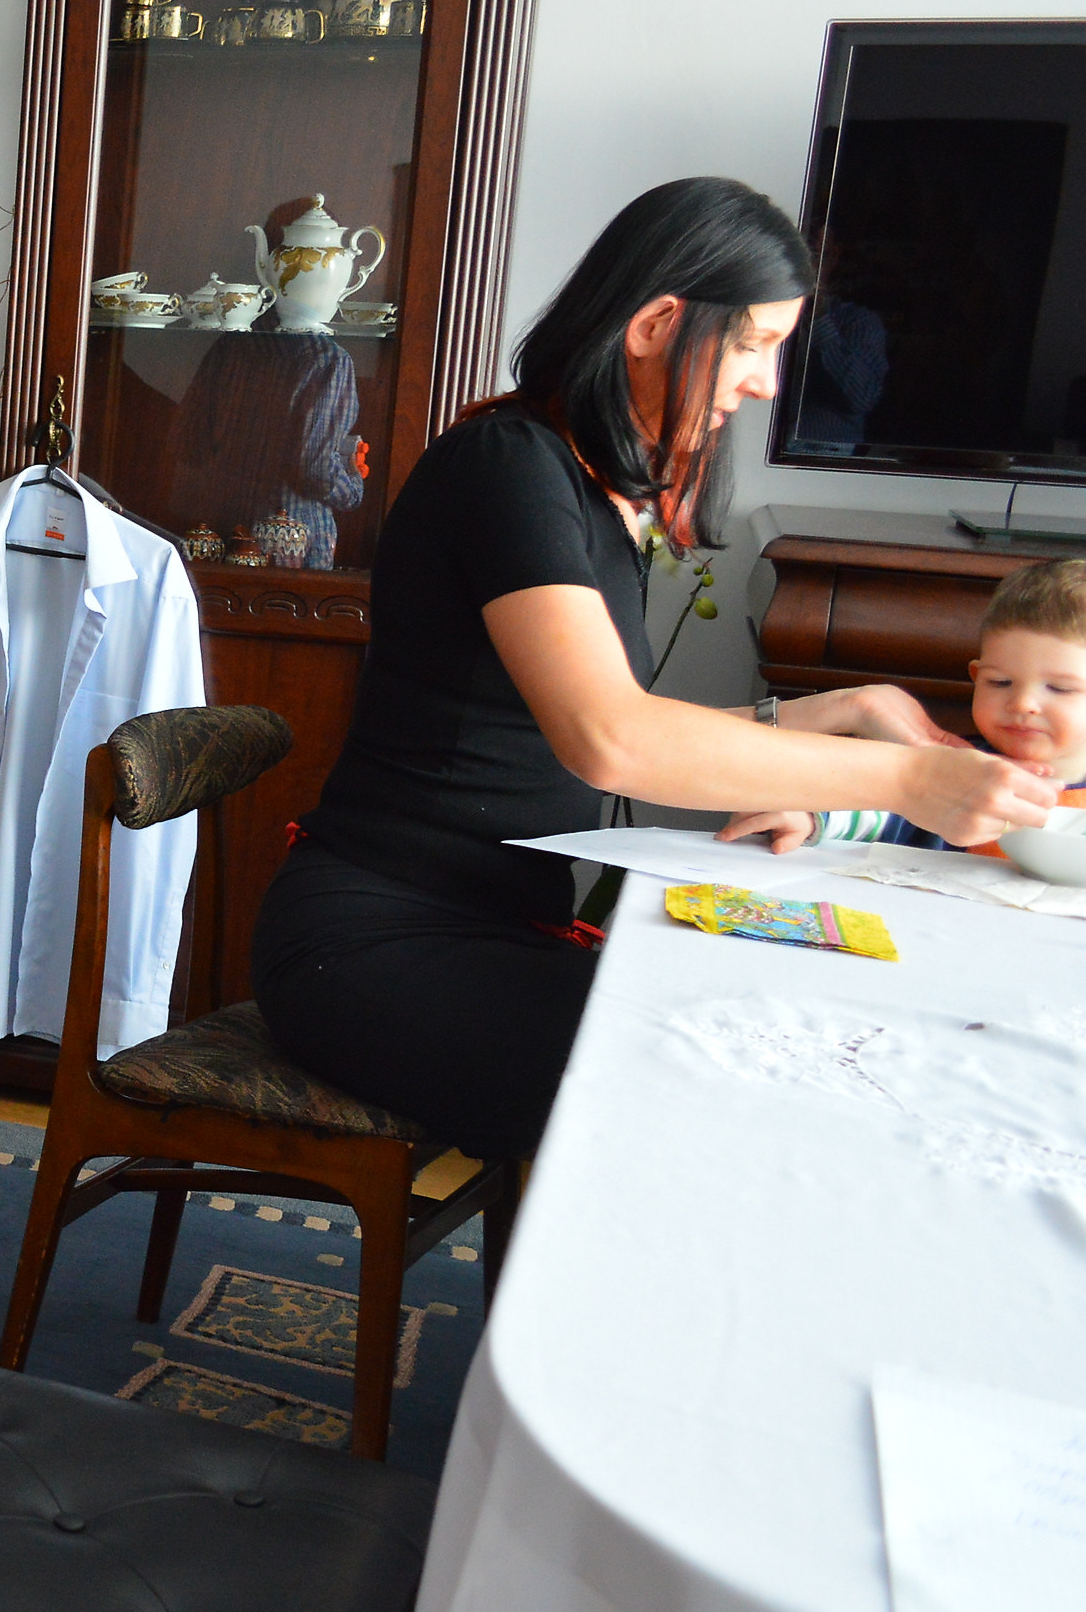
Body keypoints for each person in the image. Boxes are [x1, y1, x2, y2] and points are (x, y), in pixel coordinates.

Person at [251, 177, 1058, 1158]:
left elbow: (599, 725)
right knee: (714, 1088)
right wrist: (908, 778)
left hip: (486, 925)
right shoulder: (504, 467)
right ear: (656, 324)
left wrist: (842, 707)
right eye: (753, 344)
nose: (765, 384)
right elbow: (610, 739)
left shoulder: (590, 486)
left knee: (778, 1041)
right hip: (372, 942)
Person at [723, 558, 1086, 854]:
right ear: (976, 677)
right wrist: (808, 817)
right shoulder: (951, 769)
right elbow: (876, 805)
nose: (1022, 703)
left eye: (1060, 688)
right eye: (1000, 682)